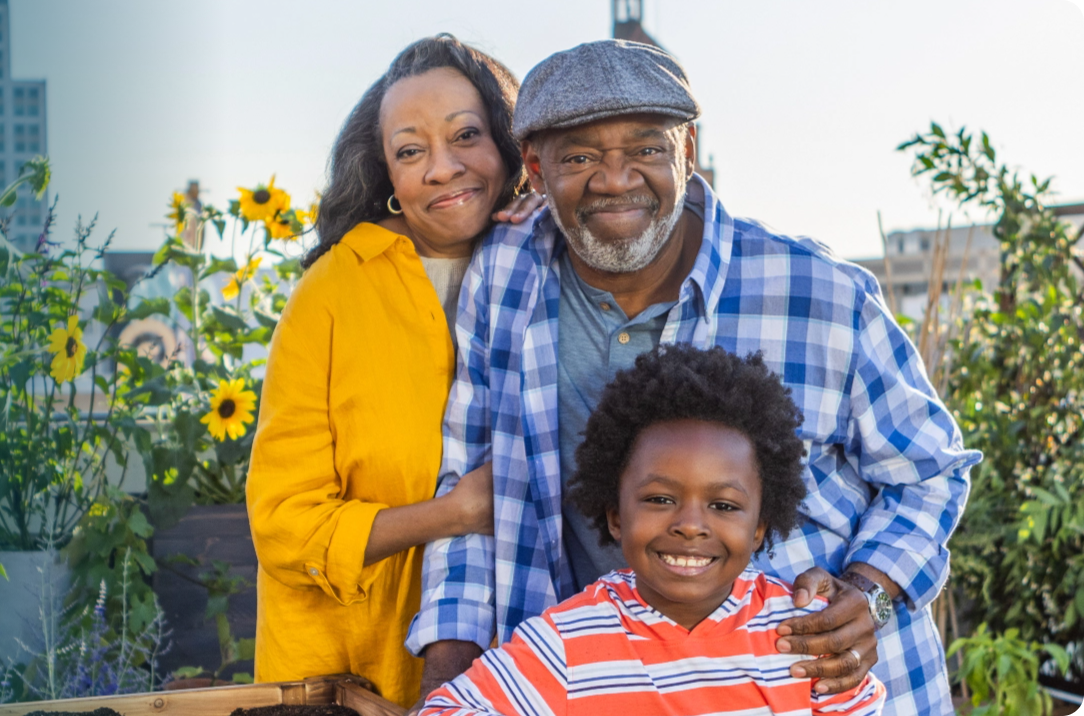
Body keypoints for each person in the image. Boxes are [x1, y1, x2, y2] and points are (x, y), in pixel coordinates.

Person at [406, 39, 982, 714]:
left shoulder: (822, 294)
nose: (614, 179)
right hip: (601, 688)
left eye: (647, 149)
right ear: (534, 168)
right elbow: (477, 487)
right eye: (581, 156)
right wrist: (445, 681)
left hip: (829, 688)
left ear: (688, 151)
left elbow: (930, 471)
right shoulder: (505, 278)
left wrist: (869, 592)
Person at [245, 34, 537, 707]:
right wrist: (452, 514)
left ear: (510, 144)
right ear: (385, 173)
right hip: (347, 676)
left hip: (514, 669)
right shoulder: (333, 292)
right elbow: (282, 522)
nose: (442, 168)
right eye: (411, 151)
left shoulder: (548, 268)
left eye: (466, 135)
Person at [419, 344, 886, 716]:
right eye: (660, 499)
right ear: (615, 516)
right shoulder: (566, 642)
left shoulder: (802, 634)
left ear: (760, 527)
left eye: (723, 505)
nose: (688, 525)